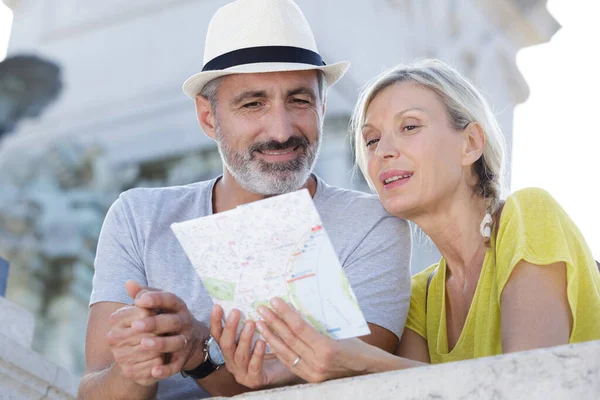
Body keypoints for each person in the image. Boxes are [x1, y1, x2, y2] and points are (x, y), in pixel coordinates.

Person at [77, 0, 412, 399]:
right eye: (253, 103)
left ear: (322, 107)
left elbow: (356, 383)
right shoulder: (139, 217)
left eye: (299, 100)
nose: (282, 129)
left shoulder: (372, 224)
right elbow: (94, 389)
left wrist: (199, 352)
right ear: (208, 117)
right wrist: (146, 357)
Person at [244, 58, 600, 383]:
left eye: (410, 126)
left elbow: (528, 382)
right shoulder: (419, 297)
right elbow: (413, 391)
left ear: (471, 143)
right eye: (371, 140)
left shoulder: (529, 214)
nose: (384, 151)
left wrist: (365, 361)